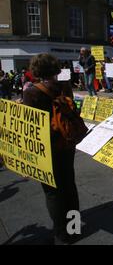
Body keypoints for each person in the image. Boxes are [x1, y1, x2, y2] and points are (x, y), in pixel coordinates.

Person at [23, 53, 79, 244]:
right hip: (67, 143)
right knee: (69, 186)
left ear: (36, 70)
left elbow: (30, 125)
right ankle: (75, 229)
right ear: (55, 67)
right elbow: (74, 111)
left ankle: (62, 234)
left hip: (46, 147)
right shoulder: (64, 87)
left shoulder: (31, 92)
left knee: (52, 191)